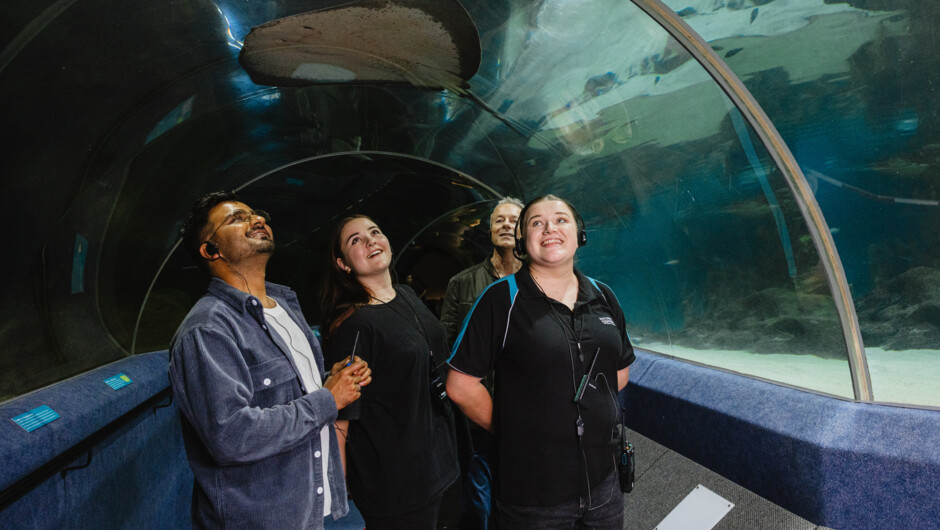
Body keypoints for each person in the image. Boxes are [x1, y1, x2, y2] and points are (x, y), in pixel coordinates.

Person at [169, 191, 371, 529]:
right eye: (237, 218)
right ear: (210, 250)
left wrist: (328, 379)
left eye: (255, 214)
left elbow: (281, 391)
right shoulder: (207, 329)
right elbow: (232, 436)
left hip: (311, 508)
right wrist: (327, 399)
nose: (257, 220)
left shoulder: (284, 304)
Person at [446, 194, 635, 530]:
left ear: (580, 234)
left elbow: (619, 371)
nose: (550, 227)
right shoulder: (500, 299)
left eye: (561, 219)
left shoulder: (604, 295)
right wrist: (513, 429)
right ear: (523, 241)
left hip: (603, 486)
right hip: (534, 498)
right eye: (536, 222)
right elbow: (460, 385)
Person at [320, 215, 459, 530]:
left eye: (374, 231)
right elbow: (341, 415)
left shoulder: (406, 295)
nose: (370, 240)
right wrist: (341, 491)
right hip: (397, 482)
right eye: (355, 240)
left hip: (439, 465)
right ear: (342, 264)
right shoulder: (354, 325)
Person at [440, 196, 523, 530]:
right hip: (476, 410)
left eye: (513, 220)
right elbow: (444, 345)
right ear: (489, 229)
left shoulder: (542, 281)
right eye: (499, 220)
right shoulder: (462, 283)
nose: (505, 225)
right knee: (479, 503)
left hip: (525, 408)